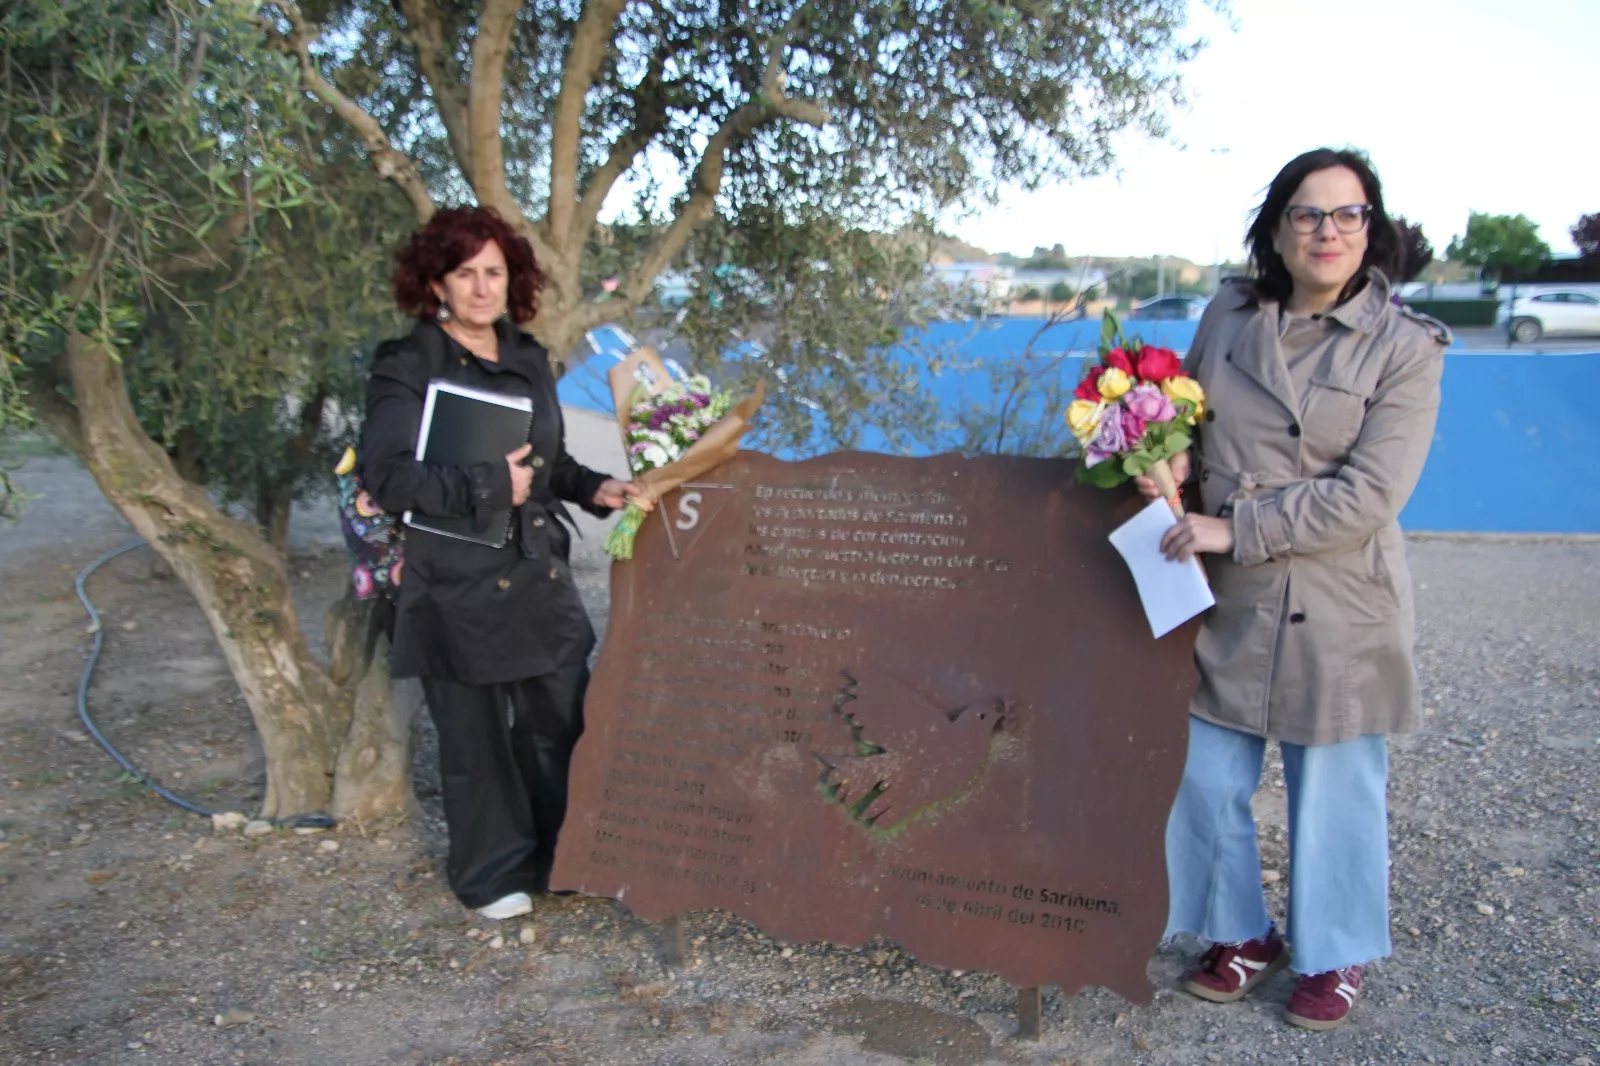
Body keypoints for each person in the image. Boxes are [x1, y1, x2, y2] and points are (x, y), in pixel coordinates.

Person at [1137, 148, 1449, 1031]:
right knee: (1200, 774)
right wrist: (1169, 455)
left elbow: (1372, 493)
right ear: (1277, 228)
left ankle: (1336, 950)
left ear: (1372, 229)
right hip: (1227, 595)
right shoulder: (1232, 311)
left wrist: (1236, 527)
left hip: (1338, 601)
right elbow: (1187, 408)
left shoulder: (1407, 349)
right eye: (1308, 214)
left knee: (1335, 786)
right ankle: (1240, 932)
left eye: (1348, 214)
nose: (1328, 231)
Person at [361, 206, 641, 921]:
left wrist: (595, 488)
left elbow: (547, 462)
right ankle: (492, 875)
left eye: (494, 271)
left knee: (562, 718)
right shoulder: (407, 364)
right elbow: (387, 478)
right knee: (475, 737)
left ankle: (569, 858)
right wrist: (486, 485)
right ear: (436, 282)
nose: (482, 287)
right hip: (453, 582)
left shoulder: (528, 356)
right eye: (465, 273)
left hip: (535, 574)